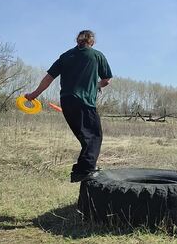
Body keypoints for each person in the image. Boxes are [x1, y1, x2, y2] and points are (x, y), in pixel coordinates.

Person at [25, 30, 112, 183]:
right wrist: (96, 85)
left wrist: (34, 94)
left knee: (86, 138)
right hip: (84, 102)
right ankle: (83, 171)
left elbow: (48, 78)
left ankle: (82, 168)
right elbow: (106, 80)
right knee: (94, 137)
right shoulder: (97, 55)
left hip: (66, 102)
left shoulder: (65, 56)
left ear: (77, 40)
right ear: (92, 41)